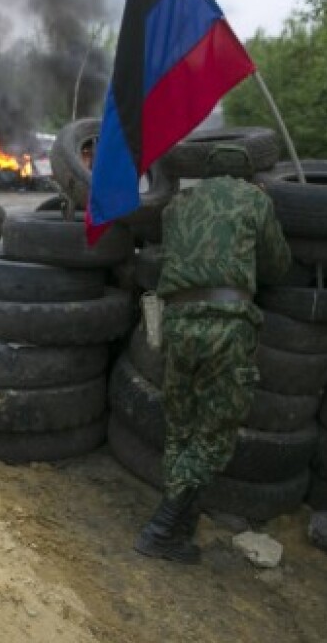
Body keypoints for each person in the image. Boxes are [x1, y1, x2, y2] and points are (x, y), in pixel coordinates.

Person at [134, 145, 291, 564]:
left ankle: (181, 525)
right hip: (226, 325)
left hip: (178, 324)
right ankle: (162, 527)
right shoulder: (254, 199)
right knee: (217, 431)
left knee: (182, 428)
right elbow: (278, 265)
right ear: (245, 175)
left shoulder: (176, 206)